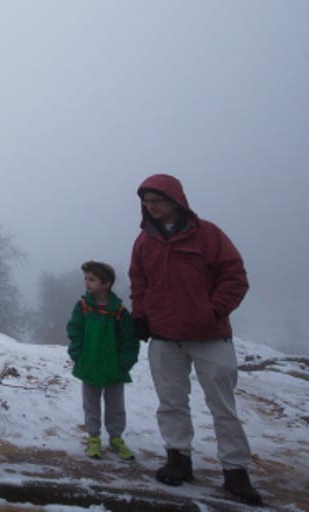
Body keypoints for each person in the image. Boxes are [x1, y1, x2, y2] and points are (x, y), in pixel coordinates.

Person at [128, 174, 263, 506]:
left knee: (223, 407)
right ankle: (178, 459)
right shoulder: (144, 241)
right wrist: (141, 315)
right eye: (146, 202)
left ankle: (235, 471)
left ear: (175, 200)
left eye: (156, 200)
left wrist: (212, 312)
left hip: (209, 338)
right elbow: (138, 280)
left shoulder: (209, 235)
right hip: (163, 337)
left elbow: (235, 278)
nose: (151, 207)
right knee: (171, 402)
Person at [67, 260, 139, 461]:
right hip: (89, 364)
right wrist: (77, 354)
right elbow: (75, 330)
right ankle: (93, 438)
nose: (87, 283)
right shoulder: (82, 307)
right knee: (91, 404)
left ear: (106, 284)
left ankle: (116, 438)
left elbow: (129, 339)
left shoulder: (120, 311)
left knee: (115, 405)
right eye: (86, 279)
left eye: (92, 279)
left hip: (113, 367)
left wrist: (125, 362)